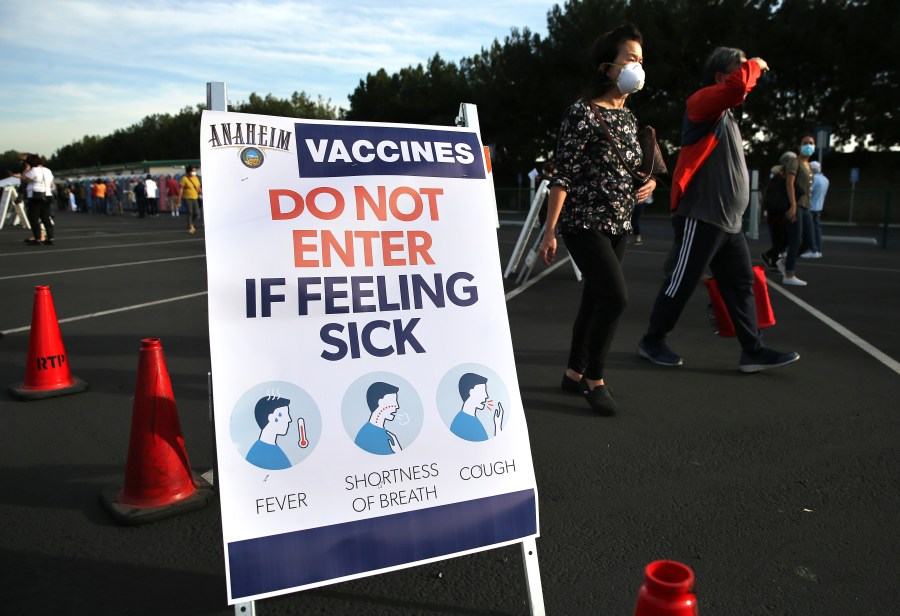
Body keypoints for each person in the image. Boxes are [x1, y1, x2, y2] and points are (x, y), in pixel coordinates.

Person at [636, 47, 799, 373]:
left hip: (729, 223)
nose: (749, 74)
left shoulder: (728, 117)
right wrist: (755, 64)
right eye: (740, 68)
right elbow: (739, 86)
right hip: (702, 216)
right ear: (721, 77)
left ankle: (752, 350)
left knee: (740, 284)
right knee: (681, 281)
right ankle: (652, 341)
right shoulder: (701, 104)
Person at [538, 23, 657, 414]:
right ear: (608, 67)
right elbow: (564, 175)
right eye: (630, 59)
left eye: (641, 60)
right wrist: (550, 230)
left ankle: (573, 373)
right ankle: (595, 378)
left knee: (594, 298)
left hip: (620, 222)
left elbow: (637, 169)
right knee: (615, 297)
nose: (637, 66)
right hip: (584, 221)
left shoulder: (630, 119)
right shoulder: (582, 112)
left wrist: (650, 184)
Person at [778, 135, 815, 285]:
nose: (808, 145)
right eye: (805, 143)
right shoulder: (795, 162)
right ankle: (789, 274)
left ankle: (785, 262)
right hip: (796, 206)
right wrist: (793, 205)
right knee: (796, 240)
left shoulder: (809, 166)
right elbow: (789, 183)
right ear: (800, 146)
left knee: (808, 241)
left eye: (811, 143)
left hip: (806, 207)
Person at [760, 152, 796, 271]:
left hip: (779, 213)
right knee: (780, 238)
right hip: (777, 213)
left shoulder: (782, 177)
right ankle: (773, 261)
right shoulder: (779, 177)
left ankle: (770, 257)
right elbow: (775, 197)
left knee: (783, 238)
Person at [12, 155, 55, 245]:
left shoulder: (34, 170)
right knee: (46, 217)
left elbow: (25, 178)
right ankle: (50, 237)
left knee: (34, 218)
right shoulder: (48, 170)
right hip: (47, 195)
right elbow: (51, 184)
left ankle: (38, 238)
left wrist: (26, 168)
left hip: (36, 195)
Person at [449, 373, 504, 441]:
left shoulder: (471, 419)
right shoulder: (461, 423)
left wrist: (498, 425)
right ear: (471, 392)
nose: (486, 396)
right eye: (483, 392)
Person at [245, 395, 293, 470]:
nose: (289, 419)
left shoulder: (272, 450)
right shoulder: (258, 453)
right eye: (284, 415)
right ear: (270, 418)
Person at [354, 382, 402, 455]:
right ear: (380, 402)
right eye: (393, 401)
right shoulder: (367, 436)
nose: (397, 406)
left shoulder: (382, 433)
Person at [805, 160, 828, 258]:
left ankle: (813, 249)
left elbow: (808, 191)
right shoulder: (825, 179)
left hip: (811, 207)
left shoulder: (813, 179)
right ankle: (818, 249)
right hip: (819, 206)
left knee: (810, 230)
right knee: (817, 229)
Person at [179, 166, 202, 234]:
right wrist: (179, 199)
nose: (194, 172)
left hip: (195, 197)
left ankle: (191, 222)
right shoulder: (184, 178)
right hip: (187, 197)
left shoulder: (196, 178)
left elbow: (198, 188)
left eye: (195, 171)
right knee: (190, 212)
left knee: (196, 213)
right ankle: (190, 227)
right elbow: (181, 189)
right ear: (188, 172)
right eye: (193, 171)